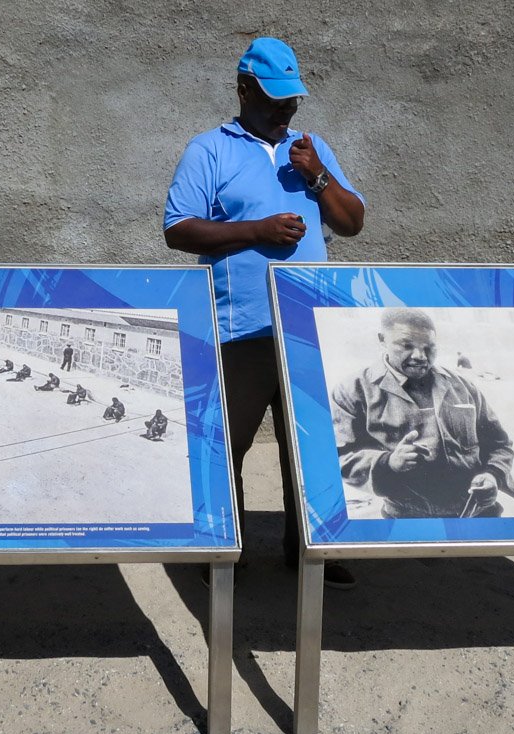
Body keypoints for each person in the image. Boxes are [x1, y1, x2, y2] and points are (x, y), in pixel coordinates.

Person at [163, 37, 365, 588]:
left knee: (312, 445)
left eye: (293, 99)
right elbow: (177, 229)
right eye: (275, 99)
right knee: (229, 443)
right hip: (240, 327)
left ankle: (310, 552)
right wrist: (257, 231)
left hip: (307, 326)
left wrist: (318, 177)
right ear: (244, 88)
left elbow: (352, 223)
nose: (286, 110)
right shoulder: (209, 150)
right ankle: (224, 551)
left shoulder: (310, 147)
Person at [331, 309, 514, 518]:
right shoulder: (354, 391)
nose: (420, 356)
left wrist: (492, 475)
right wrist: (388, 463)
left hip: (477, 514)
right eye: (407, 345)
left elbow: (499, 444)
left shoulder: (463, 387)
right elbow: (339, 457)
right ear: (382, 340)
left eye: (429, 348)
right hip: (407, 519)